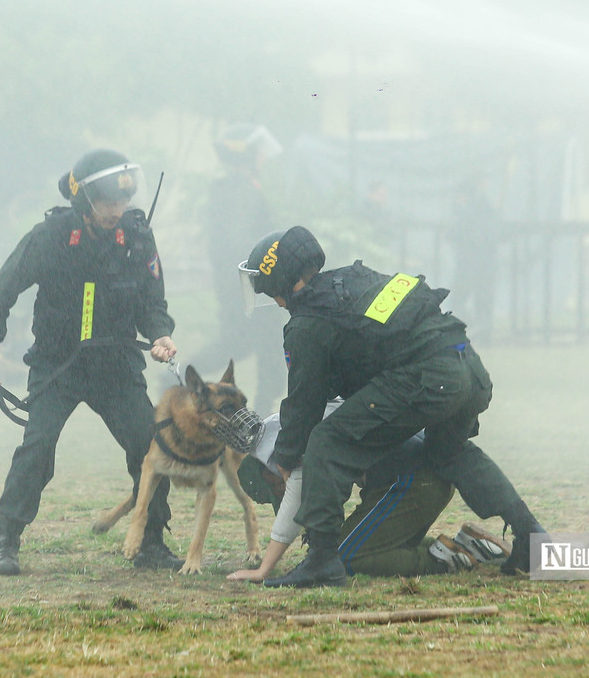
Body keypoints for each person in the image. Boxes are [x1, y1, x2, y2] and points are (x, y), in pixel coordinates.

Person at [237, 226, 545, 588]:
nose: (275, 301)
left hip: (428, 378)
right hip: (467, 369)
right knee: (450, 452)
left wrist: (286, 457)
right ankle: (531, 537)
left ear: (284, 285)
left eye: (272, 291)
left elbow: (305, 405)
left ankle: (321, 559)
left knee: (325, 440)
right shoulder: (353, 279)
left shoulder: (308, 323)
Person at [0, 149, 182, 576]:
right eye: (106, 204)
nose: (116, 212)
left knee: (148, 445)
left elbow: (152, 301)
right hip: (58, 365)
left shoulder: (138, 237)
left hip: (116, 366)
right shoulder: (49, 236)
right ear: (84, 201)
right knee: (38, 447)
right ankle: (6, 541)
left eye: (121, 203)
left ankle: (152, 542)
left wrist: (160, 334)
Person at [228, 406, 509, 582]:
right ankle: (466, 544)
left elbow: (296, 499)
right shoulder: (295, 419)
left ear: (268, 465)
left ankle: (452, 558)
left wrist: (263, 570)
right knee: (355, 547)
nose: (281, 489)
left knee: (347, 557)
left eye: (275, 484)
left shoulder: (290, 451)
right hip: (411, 479)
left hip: (412, 480)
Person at [192, 124, 286, 415]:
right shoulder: (241, 192)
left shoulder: (231, 188)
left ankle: (262, 409)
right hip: (249, 287)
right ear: (246, 157)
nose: (262, 159)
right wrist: (261, 275)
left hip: (241, 285)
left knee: (255, 346)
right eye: (257, 154)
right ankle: (183, 374)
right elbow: (240, 243)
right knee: (255, 346)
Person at [449, 176, 501, 343]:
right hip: (477, 260)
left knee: (471, 298)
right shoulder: (482, 207)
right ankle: (480, 330)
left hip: (474, 261)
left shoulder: (477, 208)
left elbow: (469, 233)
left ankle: (481, 330)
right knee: (476, 298)